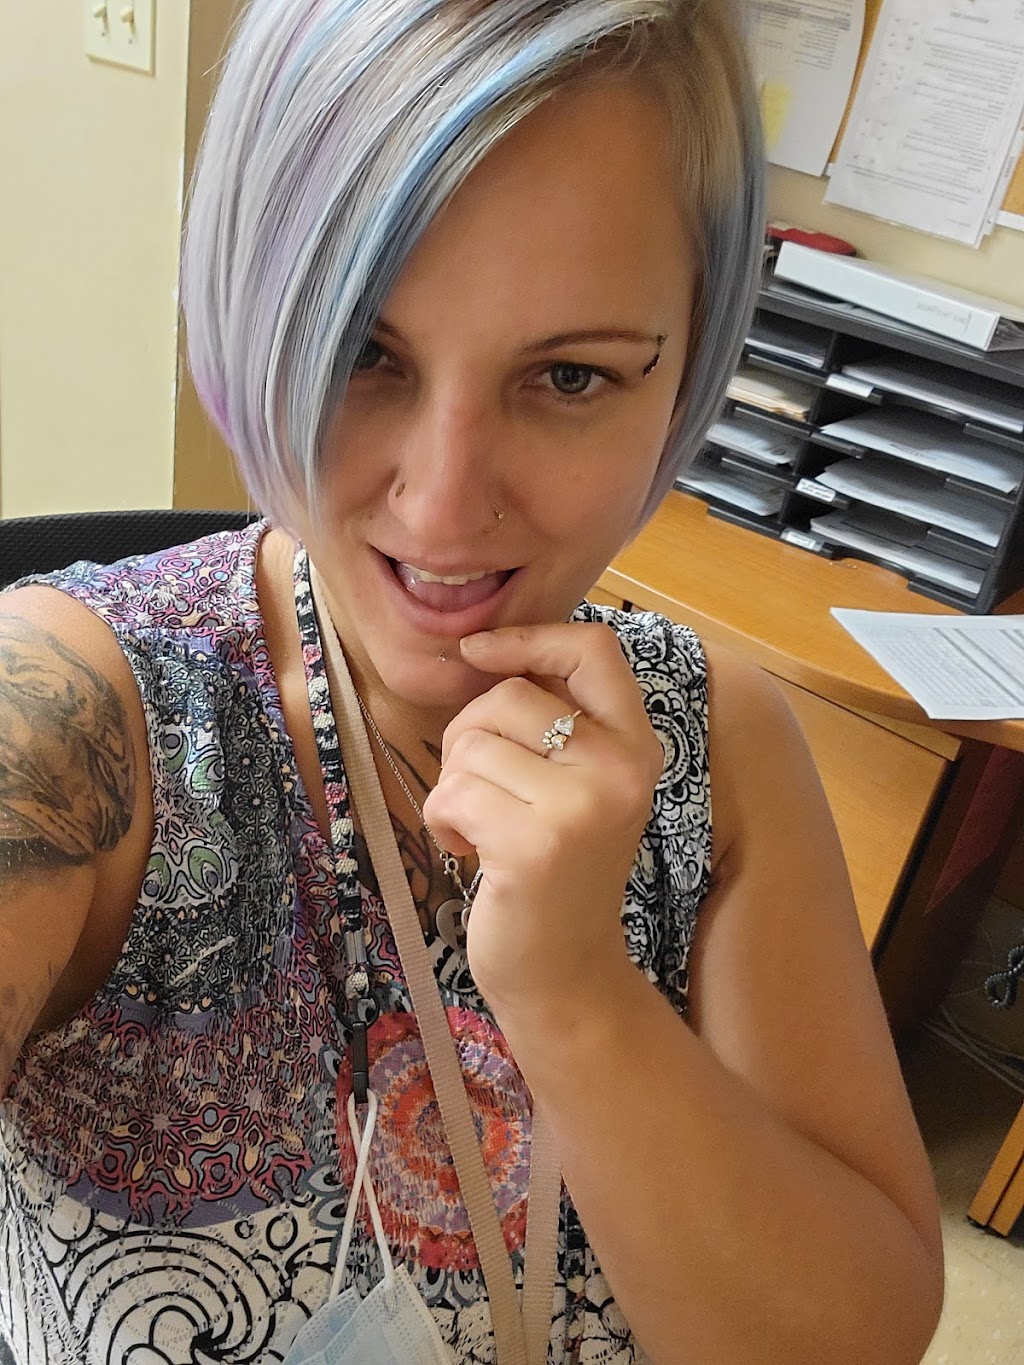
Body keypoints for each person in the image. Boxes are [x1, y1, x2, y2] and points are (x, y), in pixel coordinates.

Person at [0, 0, 945, 1360]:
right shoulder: (72, 721)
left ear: (685, 376)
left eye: (569, 375)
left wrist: (573, 989)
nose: (443, 507)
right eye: (363, 352)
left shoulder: (717, 744)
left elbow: (852, 1339)